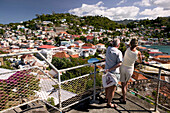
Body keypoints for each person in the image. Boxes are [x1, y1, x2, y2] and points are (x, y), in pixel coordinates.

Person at [120, 38, 142, 104]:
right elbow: (140, 61)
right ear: (137, 45)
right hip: (130, 68)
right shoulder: (138, 52)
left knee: (123, 84)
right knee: (126, 83)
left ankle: (124, 98)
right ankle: (124, 96)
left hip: (123, 67)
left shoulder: (127, 49)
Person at [105, 38, 123, 108]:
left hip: (106, 71)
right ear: (118, 44)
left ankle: (106, 98)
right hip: (114, 72)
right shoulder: (118, 52)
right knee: (112, 89)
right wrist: (111, 69)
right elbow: (120, 63)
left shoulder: (108, 49)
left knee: (107, 86)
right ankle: (109, 103)